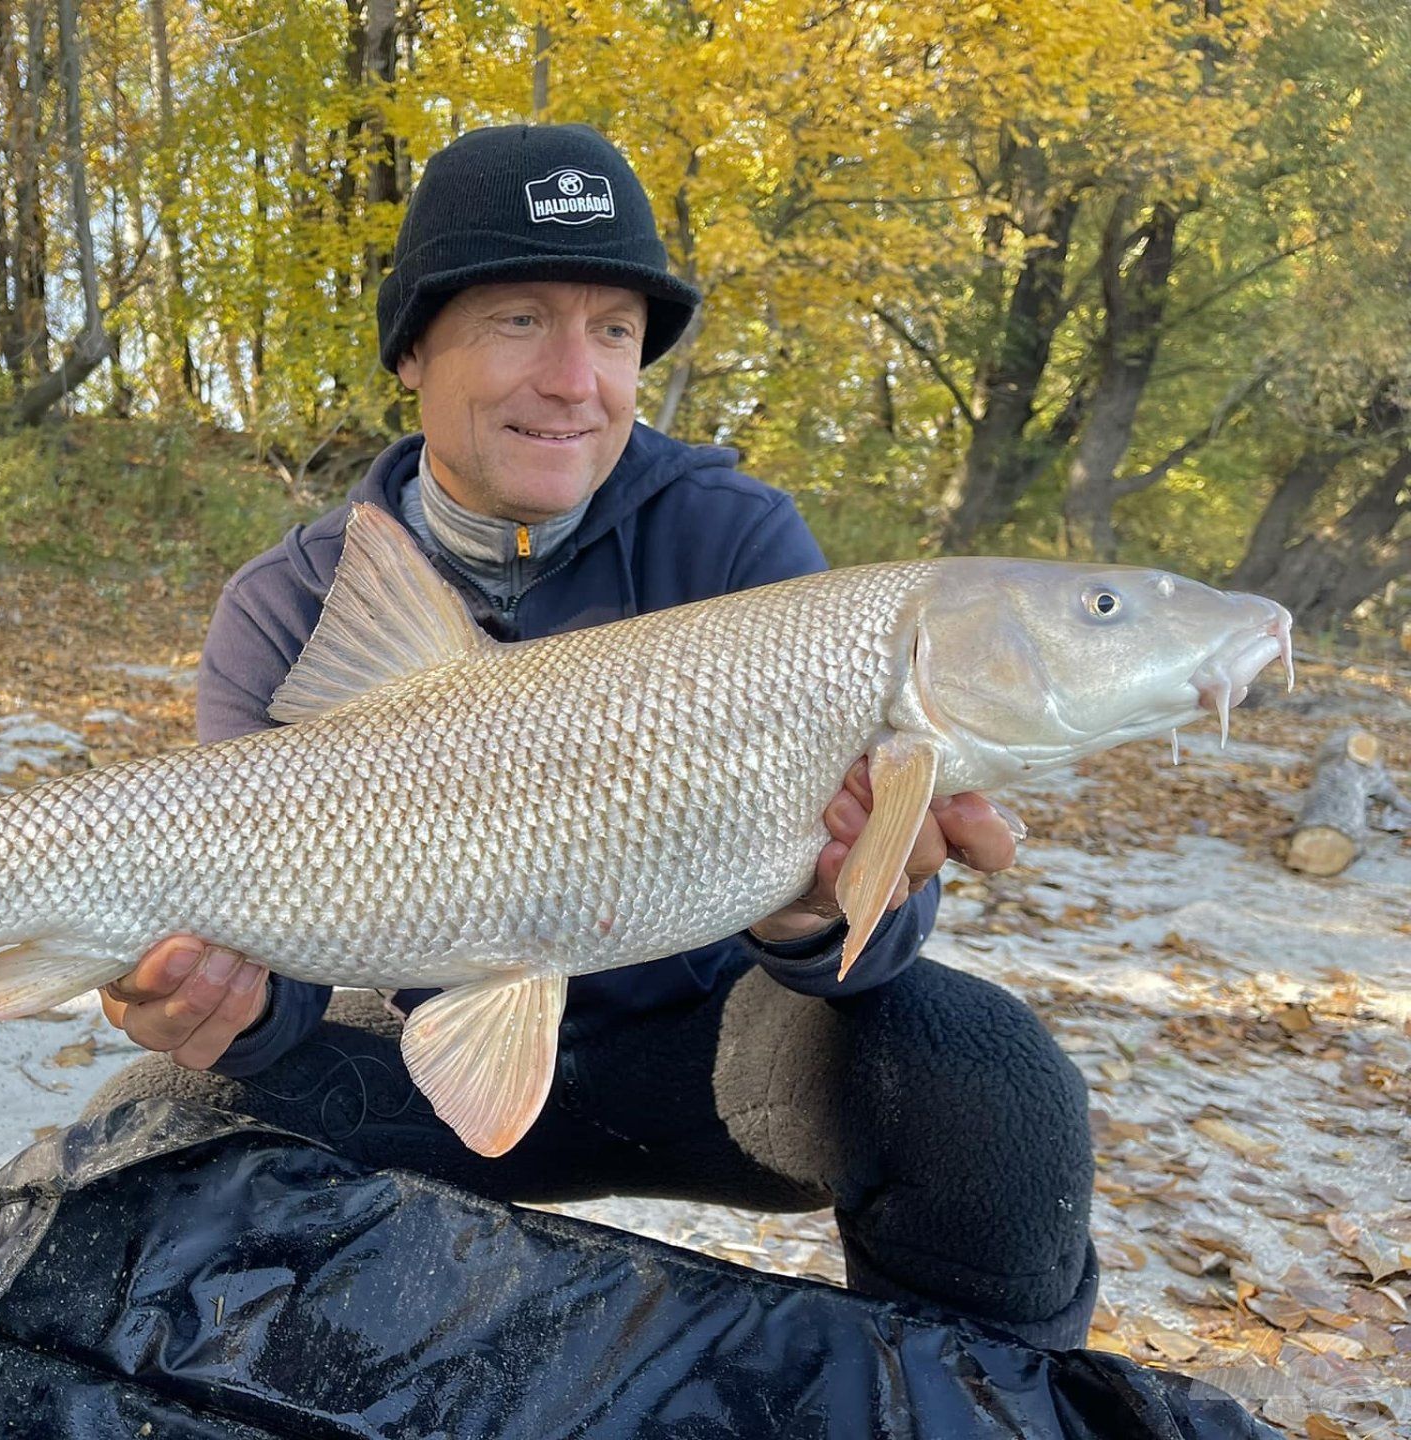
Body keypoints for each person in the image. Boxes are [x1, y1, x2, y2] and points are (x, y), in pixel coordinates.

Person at [88, 124, 1098, 1348]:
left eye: (613, 330)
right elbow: (280, 994)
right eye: (520, 319)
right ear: (412, 350)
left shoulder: (734, 544)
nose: (577, 380)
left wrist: (813, 909)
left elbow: (869, 957)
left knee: (989, 1081)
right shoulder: (290, 603)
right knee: (167, 1116)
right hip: (440, 1040)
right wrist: (218, 1008)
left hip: (719, 1047)